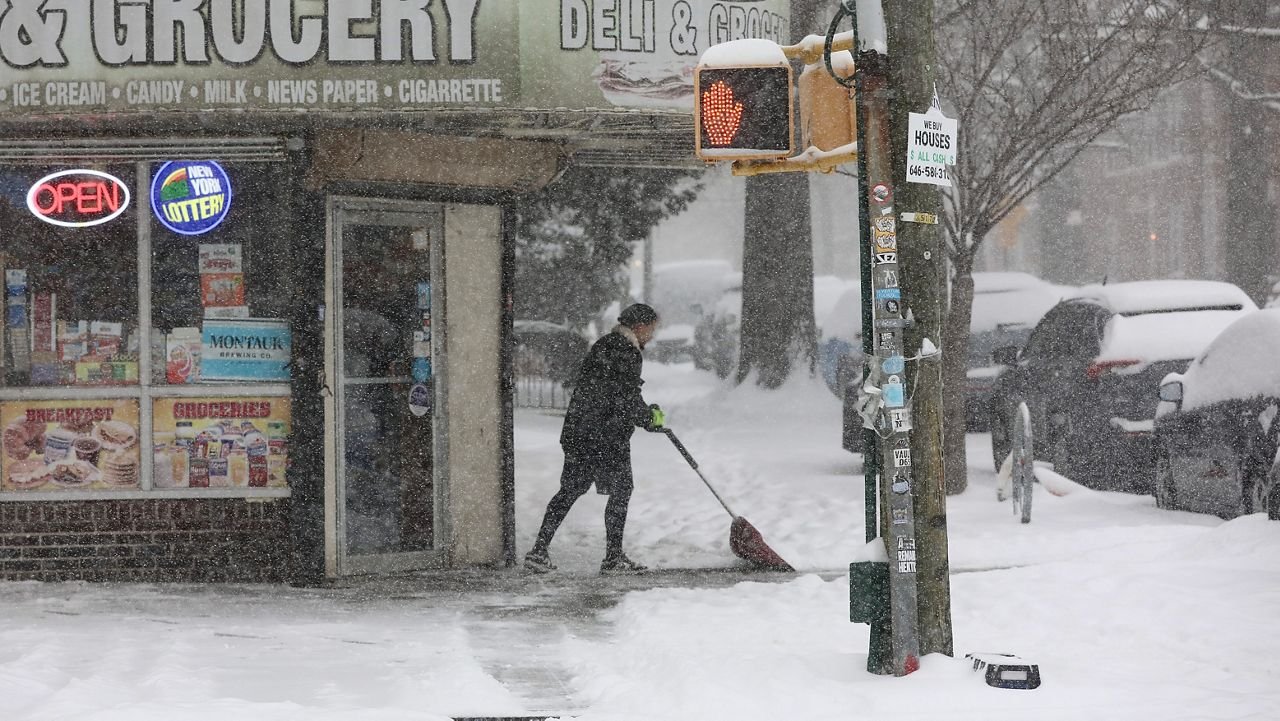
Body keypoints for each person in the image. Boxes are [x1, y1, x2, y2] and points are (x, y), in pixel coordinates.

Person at [524, 303, 666, 575]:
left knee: (571, 489)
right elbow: (625, 397)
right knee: (621, 490)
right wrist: (649, 418)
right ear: (639, 327)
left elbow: (614, 391)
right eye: (651, 329)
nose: (653, 334)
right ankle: (613, 559)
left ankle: (539, 550)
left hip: (581, 431)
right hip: (603, 436)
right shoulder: (626, 352)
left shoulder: (606, 345)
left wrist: (644, 414)